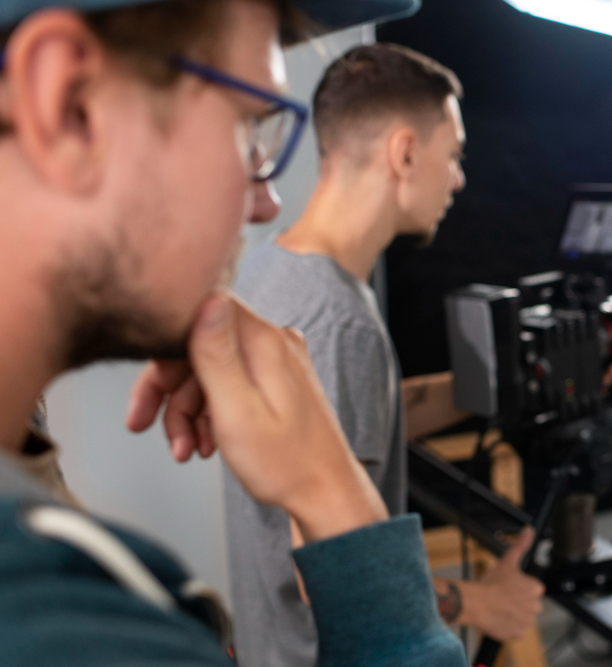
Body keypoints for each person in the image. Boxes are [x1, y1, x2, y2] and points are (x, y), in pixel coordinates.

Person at [0, 1, 466, 666]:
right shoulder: (69, 629)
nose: (265, 203)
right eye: (249, 123)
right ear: (68, 104)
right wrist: (336, 499)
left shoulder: (25, 480)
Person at [227, 43, 546, 666]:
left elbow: (344, 415)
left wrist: (498, 381)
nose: (457, 178)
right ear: (404, 152)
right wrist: (479, 604)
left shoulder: (272, 271)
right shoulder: (342, 325)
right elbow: (318, 573)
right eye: (452, 156)